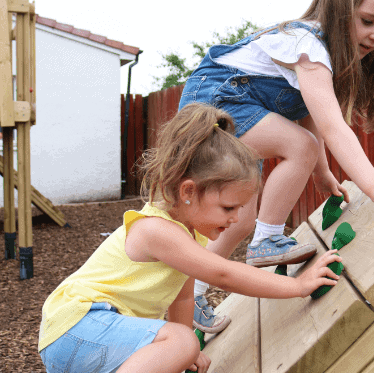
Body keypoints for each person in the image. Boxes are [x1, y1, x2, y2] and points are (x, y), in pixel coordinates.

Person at [178, 0, 374, 333]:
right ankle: (267, 241)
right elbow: (331, 127)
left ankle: (192, 293)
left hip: (237, 105)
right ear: (338, 7)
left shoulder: (323, 54)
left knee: (241, 215)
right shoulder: (307, 43)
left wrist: (323, 173)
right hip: (218, 101)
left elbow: (309, 117)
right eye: (367, 21)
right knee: (297, 148)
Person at [38, 103, 342, 373]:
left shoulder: (185, 236)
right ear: (187, 192)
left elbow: (182, 298)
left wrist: (182, 356)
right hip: (79, 326)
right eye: (228, 207)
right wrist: (298, 286)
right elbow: (223, 274)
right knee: (183, 340)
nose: (235, 218)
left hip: (91, 334)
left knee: (183, 342)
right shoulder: (157, 230)